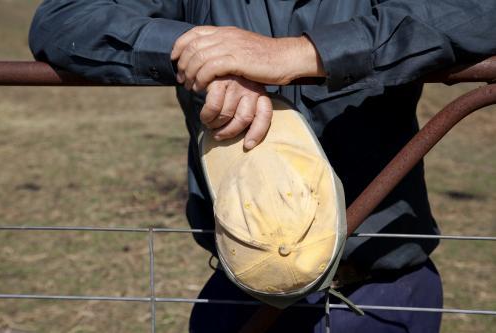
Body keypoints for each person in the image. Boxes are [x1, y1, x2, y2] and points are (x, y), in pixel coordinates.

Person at [29, 1, 496, 332]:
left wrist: (305, 53)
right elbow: (63, 19)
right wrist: (204, 50)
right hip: (240, 293)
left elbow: (476, 11)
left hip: (380, 293)